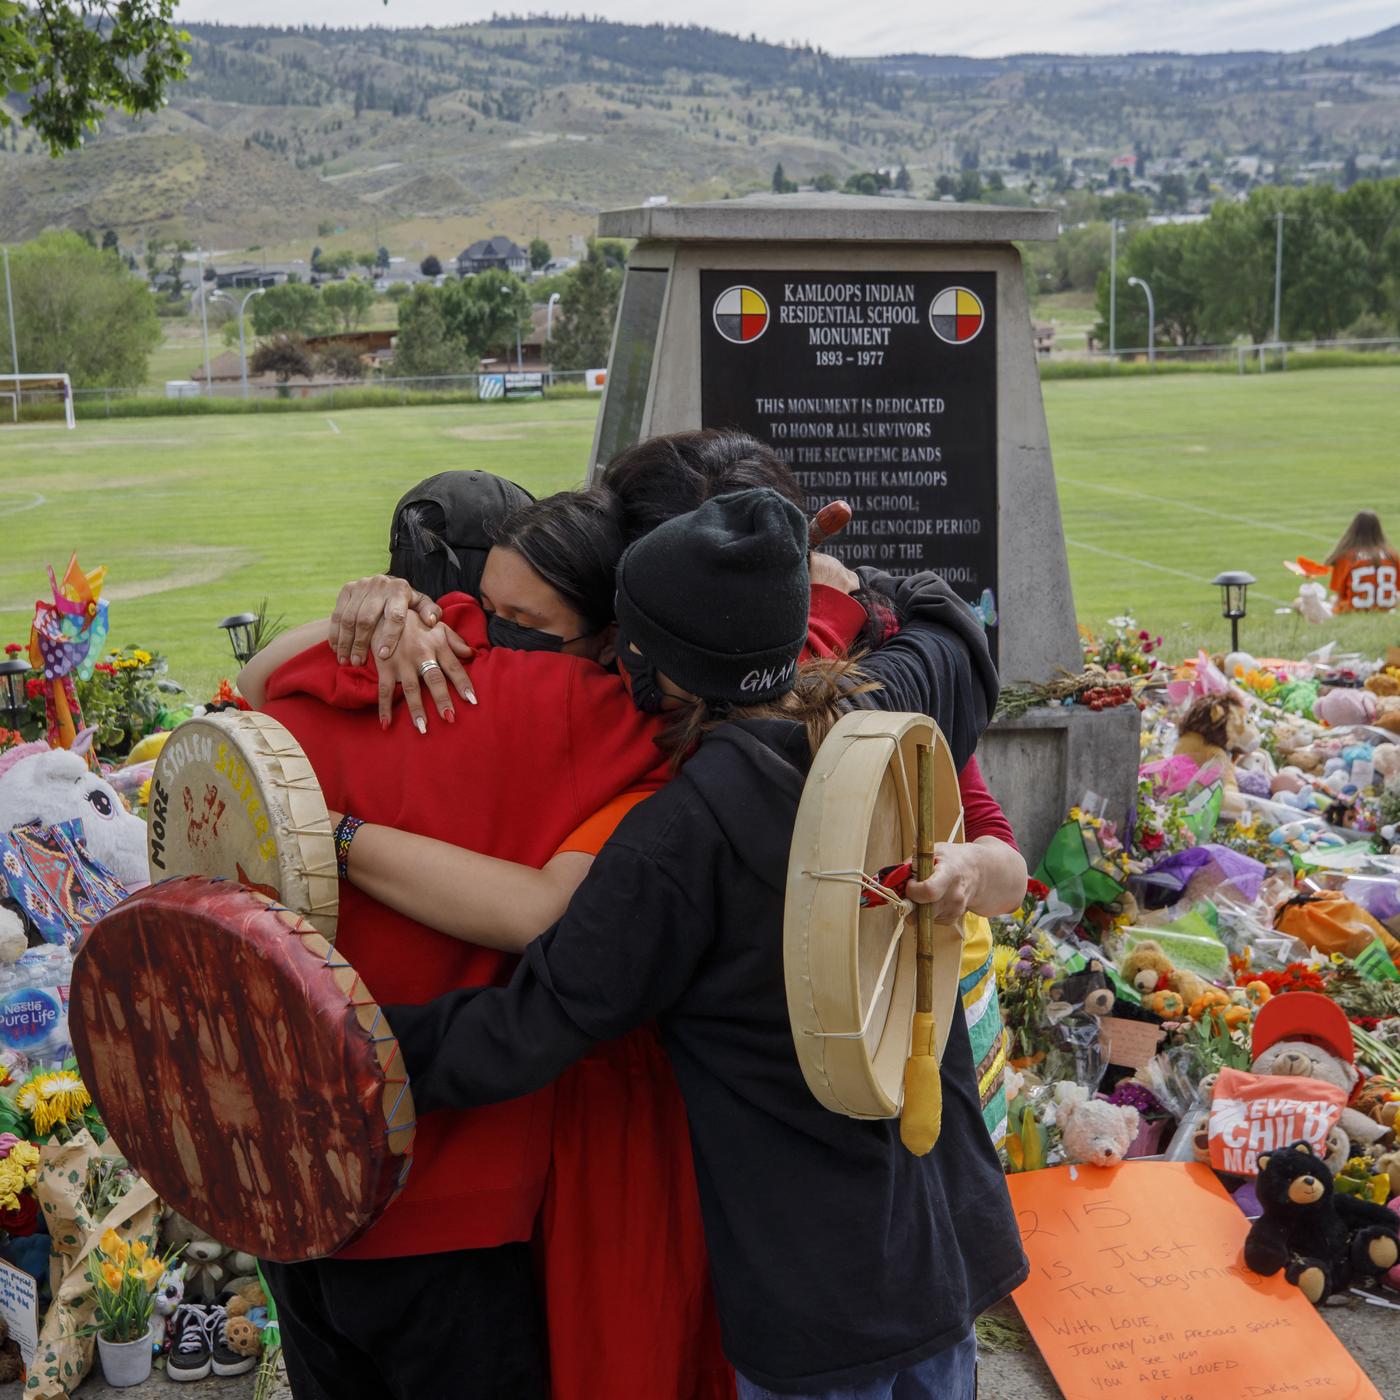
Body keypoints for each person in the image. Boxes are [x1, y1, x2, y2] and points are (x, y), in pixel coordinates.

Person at [384, 488, 1028, 1399]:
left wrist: (347, 1041)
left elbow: (529, 1026)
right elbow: (954, 629)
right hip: (944, 1237)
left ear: (646, 659)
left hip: (816, 1290)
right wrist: (847, 581)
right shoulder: (884, 704)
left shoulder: (677, 840)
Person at [245, 486, 678, 1400]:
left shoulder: (351, 662)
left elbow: (244, 701)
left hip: (290, 1164)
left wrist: (381, 615)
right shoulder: (611, 719)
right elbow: (547, 913)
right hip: (449, 1192)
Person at [1295, 510, 1399, 614]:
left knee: (1298, 603)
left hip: (1352, 610)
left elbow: (1340, 594)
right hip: (1385, 609)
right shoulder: (1392, 556)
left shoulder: (1346, 557)